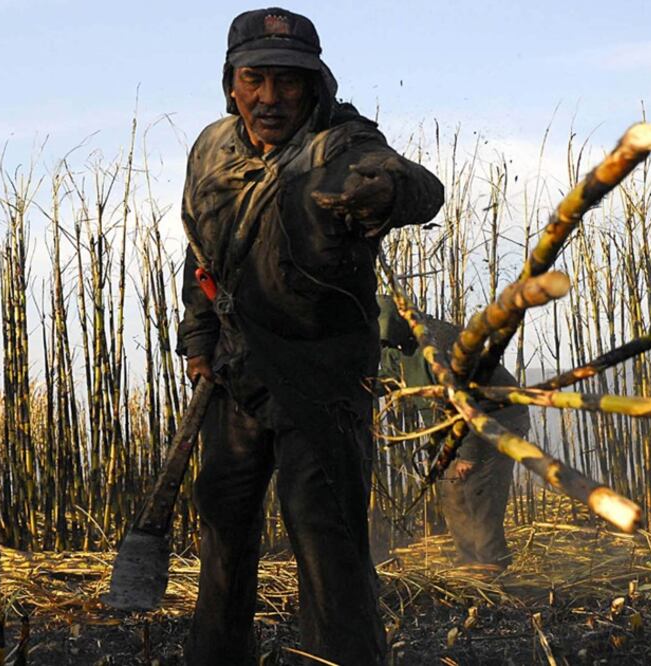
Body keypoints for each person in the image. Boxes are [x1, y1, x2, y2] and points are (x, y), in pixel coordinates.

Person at [175, 8, 444, 665]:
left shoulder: (344, 145)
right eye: (253, 79)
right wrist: (197, 341)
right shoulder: (212, 148)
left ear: (315, 85)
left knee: (325, 535)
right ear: (231, 82)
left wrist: (384, 192)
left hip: (322, 378)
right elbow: (200, 252)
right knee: (222, 528)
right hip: (238, 375)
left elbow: (421, 190)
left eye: (288, 83)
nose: (269, 99)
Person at [377, 296, 531, 570]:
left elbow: (469, 398)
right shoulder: (396, 345)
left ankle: (493, 569)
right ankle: (469, 564)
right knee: (451, 491)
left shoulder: (444, 343)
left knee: (478, 490)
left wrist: (468, 454)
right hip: (456, 426)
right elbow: (392, 377)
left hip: (497, 418)